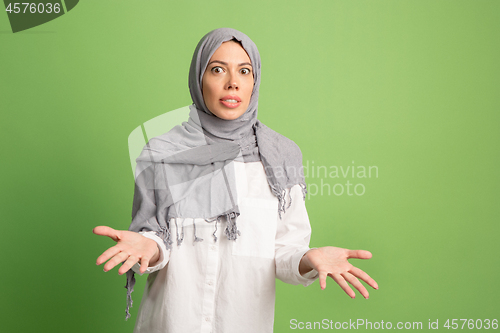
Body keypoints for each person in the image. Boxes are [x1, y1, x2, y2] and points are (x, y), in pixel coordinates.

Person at [94, 28, 378, 333]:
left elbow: (284, 252)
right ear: (198, 78)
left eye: (244, 71)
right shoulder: (162, 153)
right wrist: (147, 246)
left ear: (254, 82)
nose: (233, 83)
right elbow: (156, 239)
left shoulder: (281, 157)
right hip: (171, 323)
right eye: (217, 70)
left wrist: (309, 258)